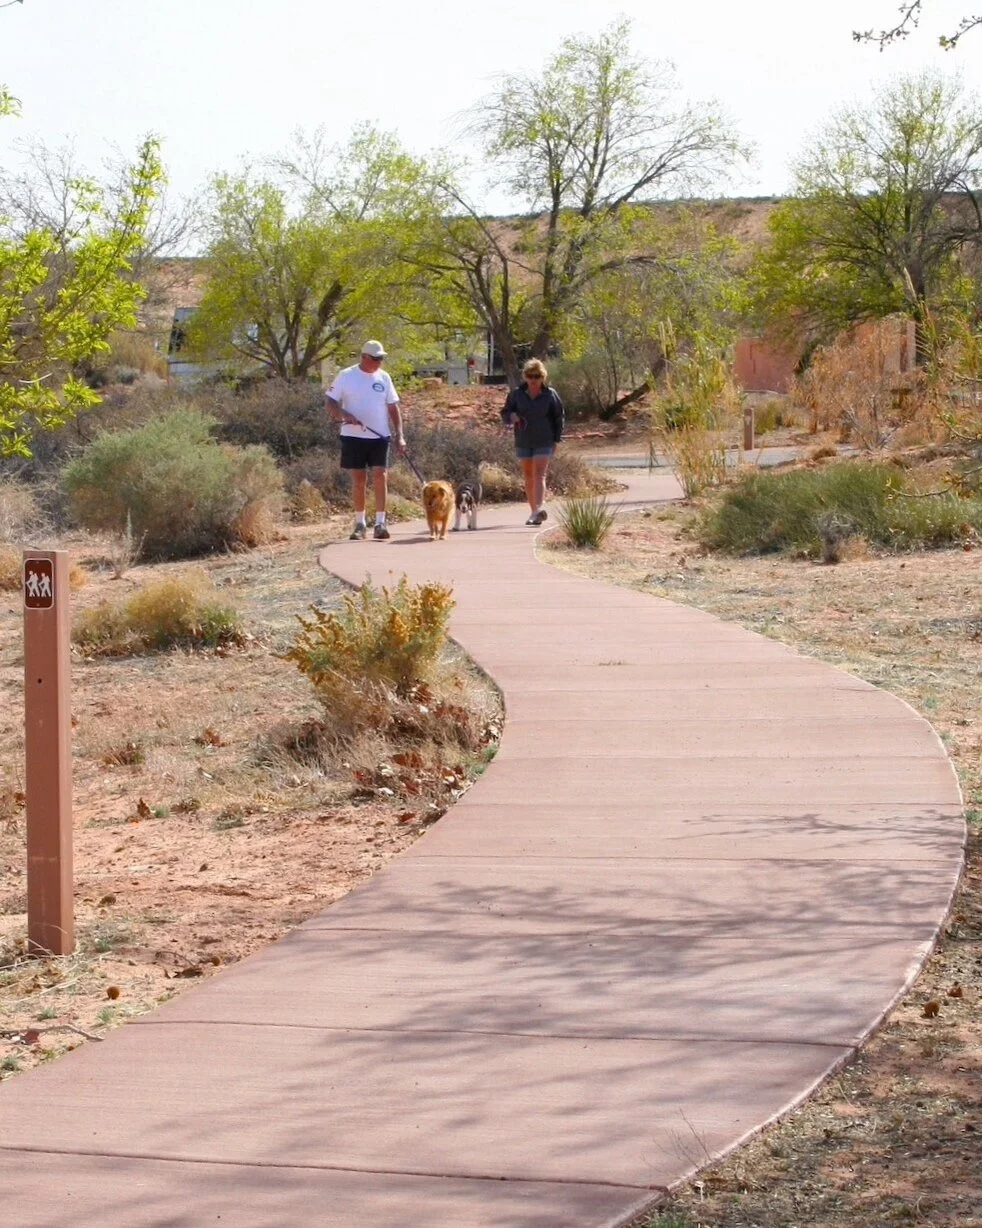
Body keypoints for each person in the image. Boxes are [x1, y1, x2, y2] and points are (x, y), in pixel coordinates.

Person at [326, 340, 406, 540]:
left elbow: (393, 407)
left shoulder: (384, 378)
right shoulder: (346, 376)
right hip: (353, 436)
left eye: (382, 359)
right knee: (359, 479)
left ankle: (380, 523)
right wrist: (343, 414)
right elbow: (330, 402)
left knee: (381, 474)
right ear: (364, 357)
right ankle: (360, 523)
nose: (380, 362)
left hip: (379, 436)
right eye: (376, 359)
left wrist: (400, 435)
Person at [500, 358, 564, 525]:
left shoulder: (550, 394)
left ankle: (538, 510)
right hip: (523, 439)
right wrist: (511, 416)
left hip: (544, 439)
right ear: (525, 377)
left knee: (539, 475)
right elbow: (505, 412)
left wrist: (556, 439)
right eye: (530, 376)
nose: (533, 380)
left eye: (537, 376)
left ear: (543, 377)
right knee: (528, 476)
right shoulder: (516, 394)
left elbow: (559, 417)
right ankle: (534, 511)